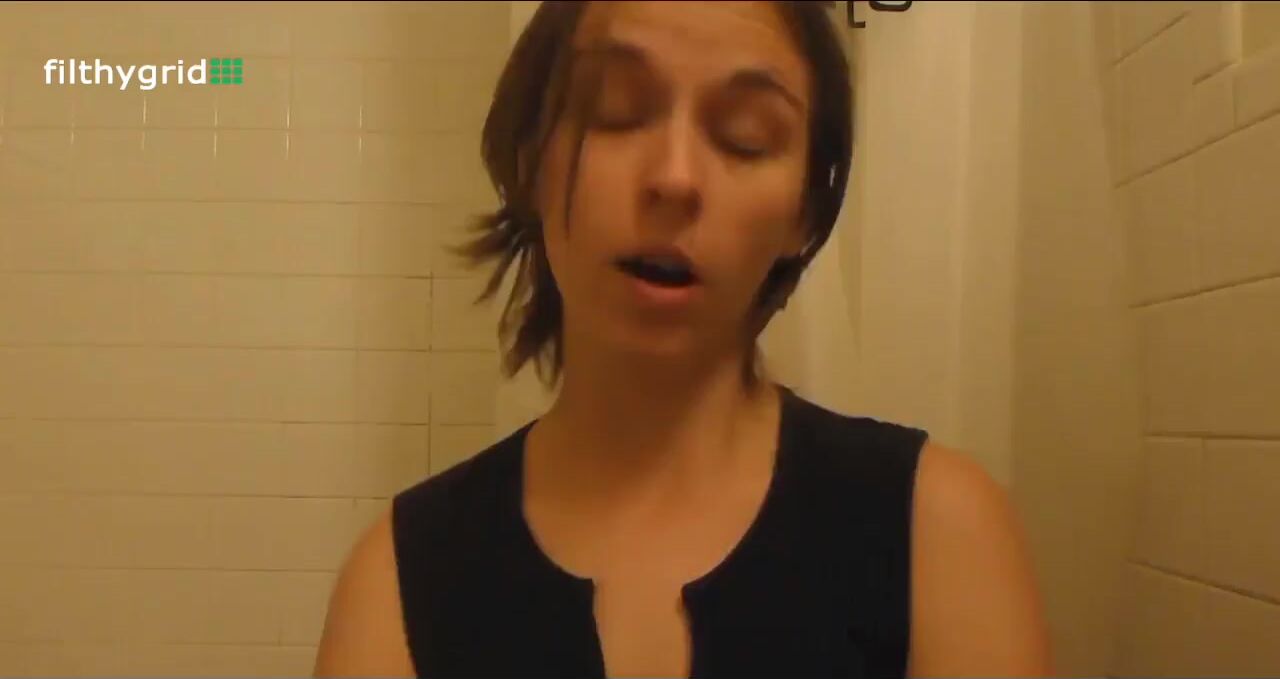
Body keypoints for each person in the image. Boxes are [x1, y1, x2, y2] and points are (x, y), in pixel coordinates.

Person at [313, 2, 1053, 677]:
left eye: (745, 139)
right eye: (617, 113)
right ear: (531, 162)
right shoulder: (398, 577)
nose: (674, 178)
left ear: (803, 211)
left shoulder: (939, 535)